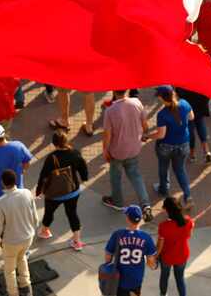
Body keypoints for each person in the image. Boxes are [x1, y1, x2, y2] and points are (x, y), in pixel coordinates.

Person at [0, 123, 33, 252]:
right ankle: (23, 248)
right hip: (16, 192)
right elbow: (27, 161)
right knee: (15, 220)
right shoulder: (18, 146)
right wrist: (21, 173)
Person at [101, 89, 153, 221]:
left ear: (113, 91)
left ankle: (117, 202)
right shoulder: (136, 102)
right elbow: (145, 123)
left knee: (115, 177)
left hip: (117, 151)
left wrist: (105, 150)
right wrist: (145, 134)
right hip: (134, 148)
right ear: (127, 90)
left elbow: (107, 134)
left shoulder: (110, 111)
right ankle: (146, 205)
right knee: (136, 176)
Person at [35, 131, 89, 250]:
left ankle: (45, 231)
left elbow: (43, 176)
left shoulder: (52, 158)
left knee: (49, 212)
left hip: (54, 194)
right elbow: (83, 167)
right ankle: (77, 241)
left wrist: (39, 191)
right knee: (72, 214)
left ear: (54, 143)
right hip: (72, 190)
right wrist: (84, 178)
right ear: (66, 141)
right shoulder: (75, 153)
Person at [0, 169, 40, 296]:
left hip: (11, 242)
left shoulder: (0, 202)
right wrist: (33, 228)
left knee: (10, 270)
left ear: (2, 183)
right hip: (28, 237)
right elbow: (35, 217)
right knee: (22, 258)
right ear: (15, 181)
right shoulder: (27, 193)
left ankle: (13, 293)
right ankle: (26, 286)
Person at [147, 86, 194, 209]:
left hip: (166, 146)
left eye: (158, 95)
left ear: (162, 98)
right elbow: (191, 117)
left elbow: (161, 134)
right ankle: (187, 195)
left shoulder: (162, 114)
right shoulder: (184, 103)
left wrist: (147, 136)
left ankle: (164, 188)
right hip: (183, 144)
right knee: (180, 170)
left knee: (163, 167)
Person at [104, 205, 157, 296]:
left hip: (119, 279)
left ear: (127, 219)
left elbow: (108, 256)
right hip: (136, 279)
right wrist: (154, 266)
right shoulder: (146, 237)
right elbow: (151, 262)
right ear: (140, 219)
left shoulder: (117, 234)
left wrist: (107, 266)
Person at [157, 197, 194, 296]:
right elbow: (189, 235)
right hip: (182, 255)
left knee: (164, 277)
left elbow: (160, 246)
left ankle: (163, 294)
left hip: (167, 257)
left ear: (166, 210)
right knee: (180, 278)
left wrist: (156, 256)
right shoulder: (188, 221)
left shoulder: (163, 226)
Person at [176, 86, 211, 163]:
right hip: (200, 104)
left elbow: (180, 93)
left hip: (189, 106)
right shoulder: (202, 76)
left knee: (190, 130)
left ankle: (192, 154)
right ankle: (206, 150)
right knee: (201, 125)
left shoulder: (183, 79)